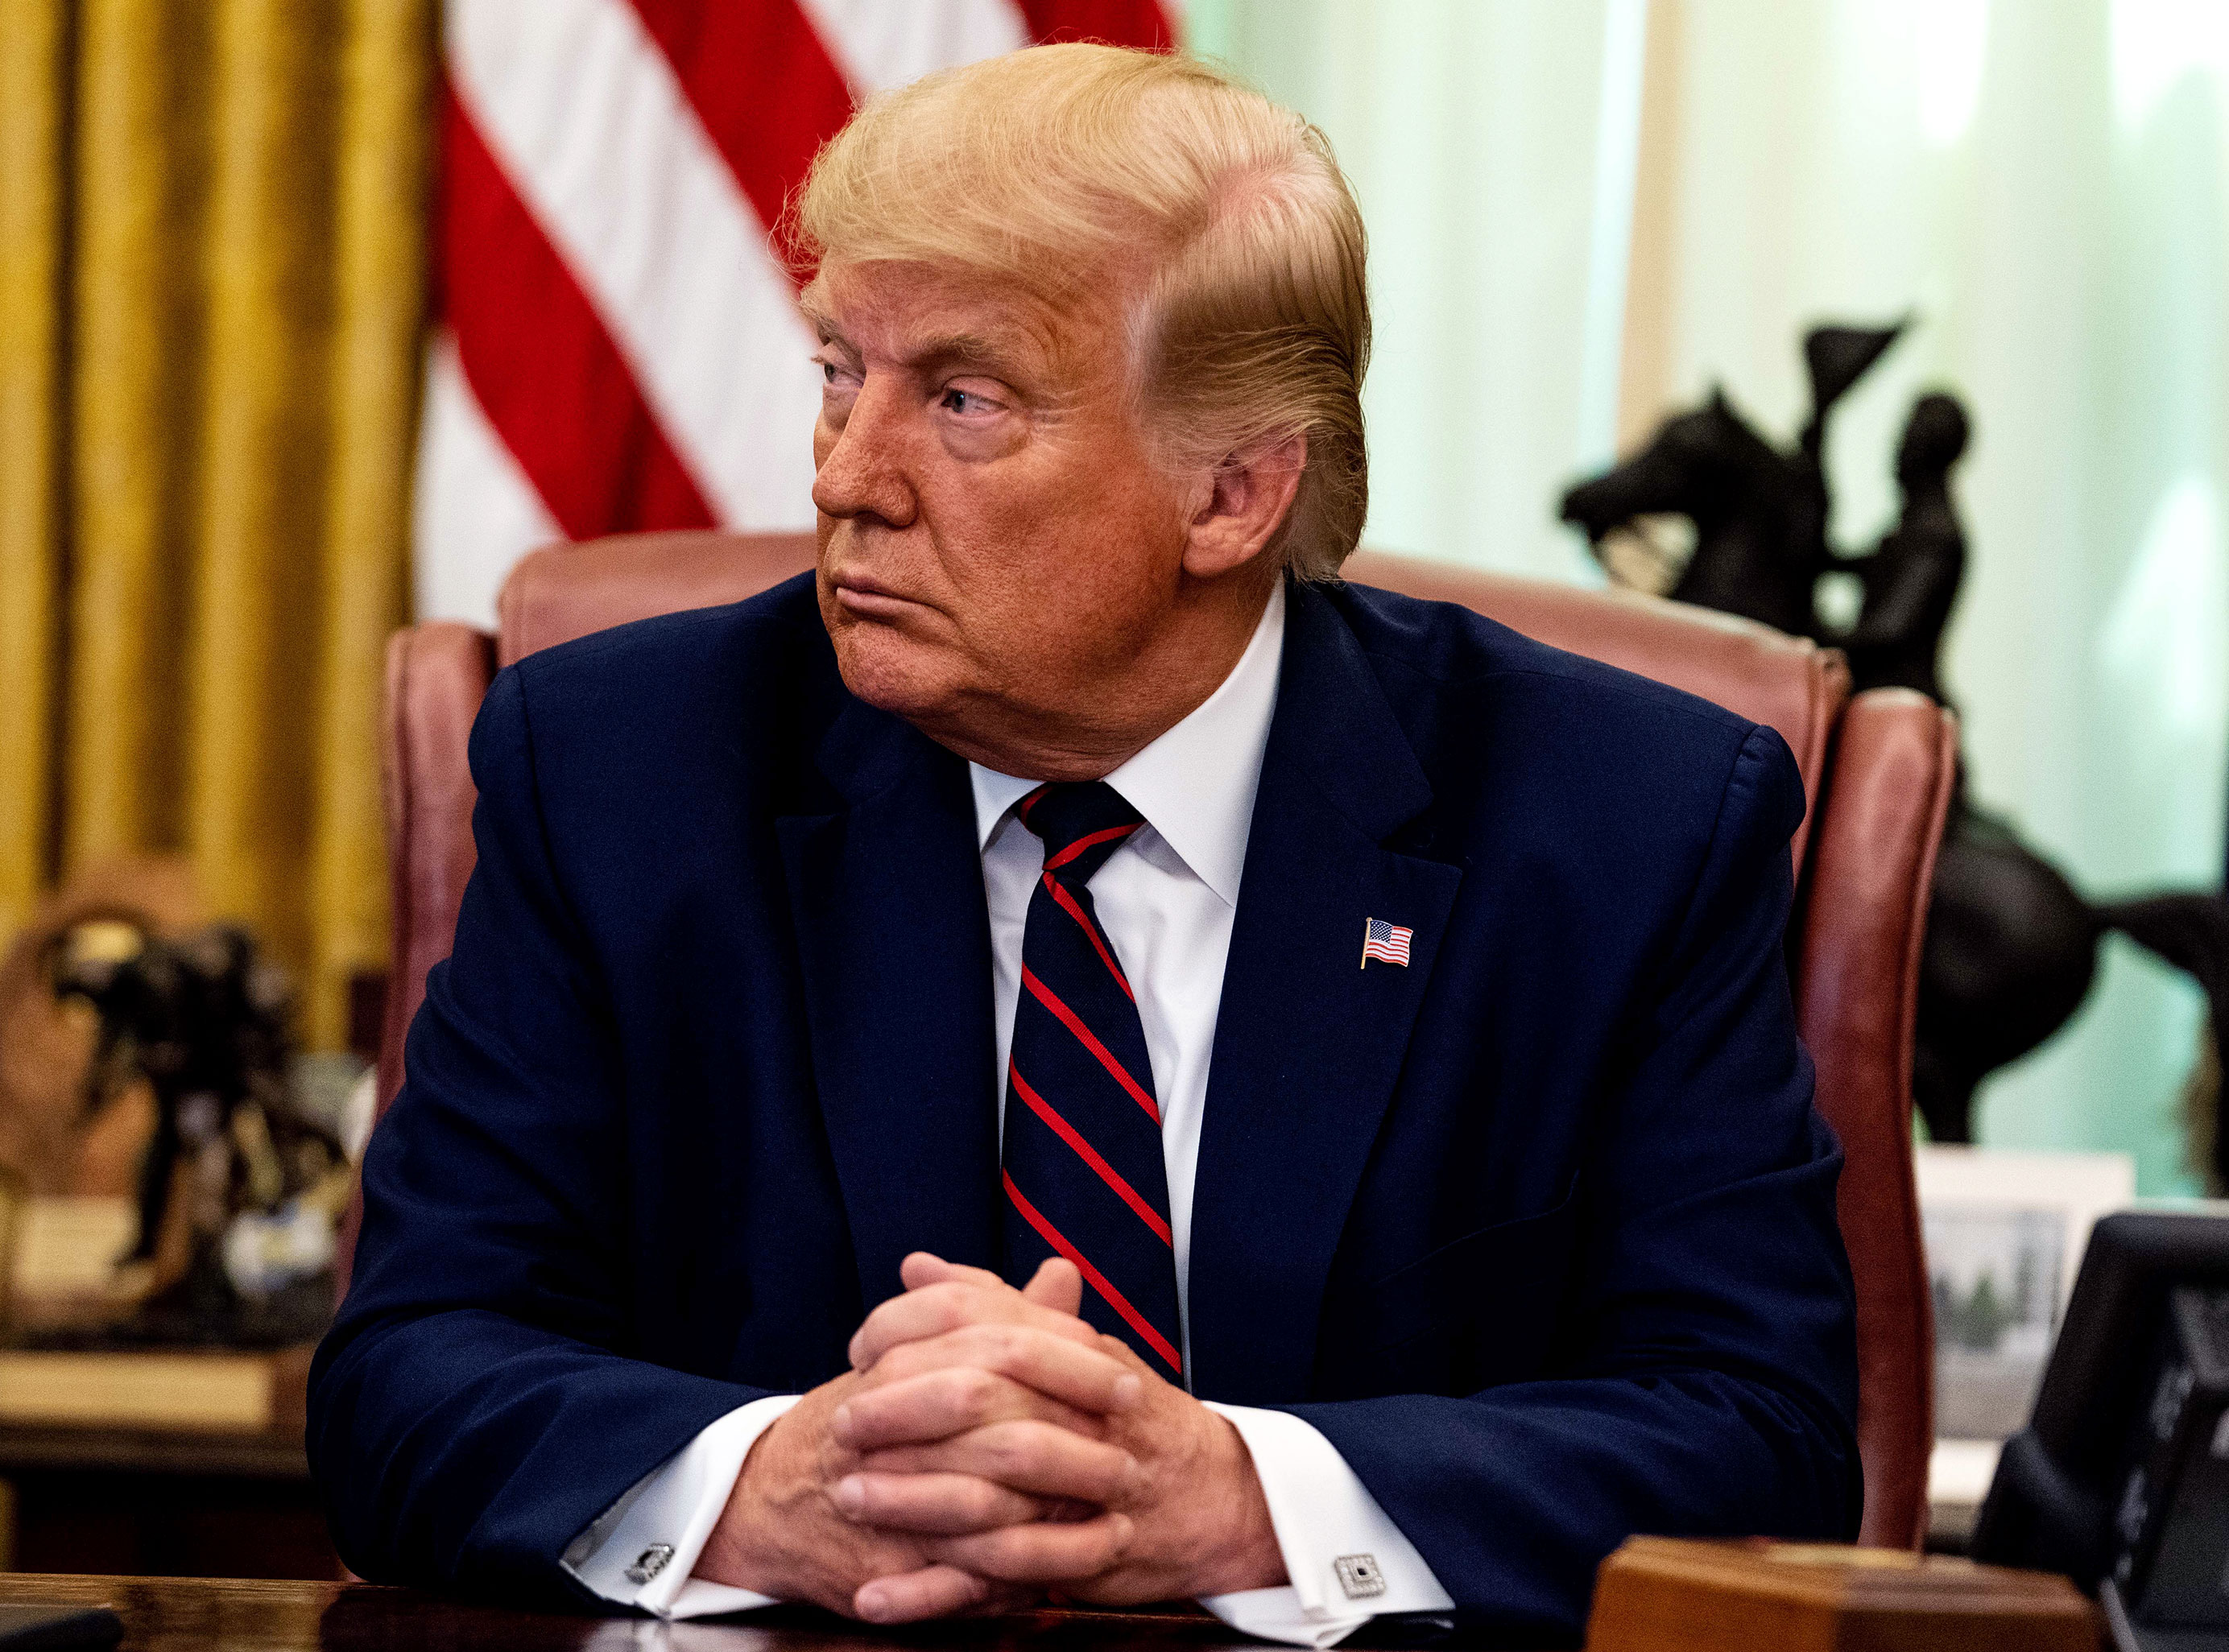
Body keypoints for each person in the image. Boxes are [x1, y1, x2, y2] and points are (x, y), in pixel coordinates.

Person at [309, 44, 1858, 1647]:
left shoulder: (1620, 824)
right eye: (841, 369)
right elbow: (406, 1379)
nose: (846, 476)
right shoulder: (626, 769)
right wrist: (773, 1482)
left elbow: (1764, 1447)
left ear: (1237, 492)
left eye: (961, 400)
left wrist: (1233, 1496)